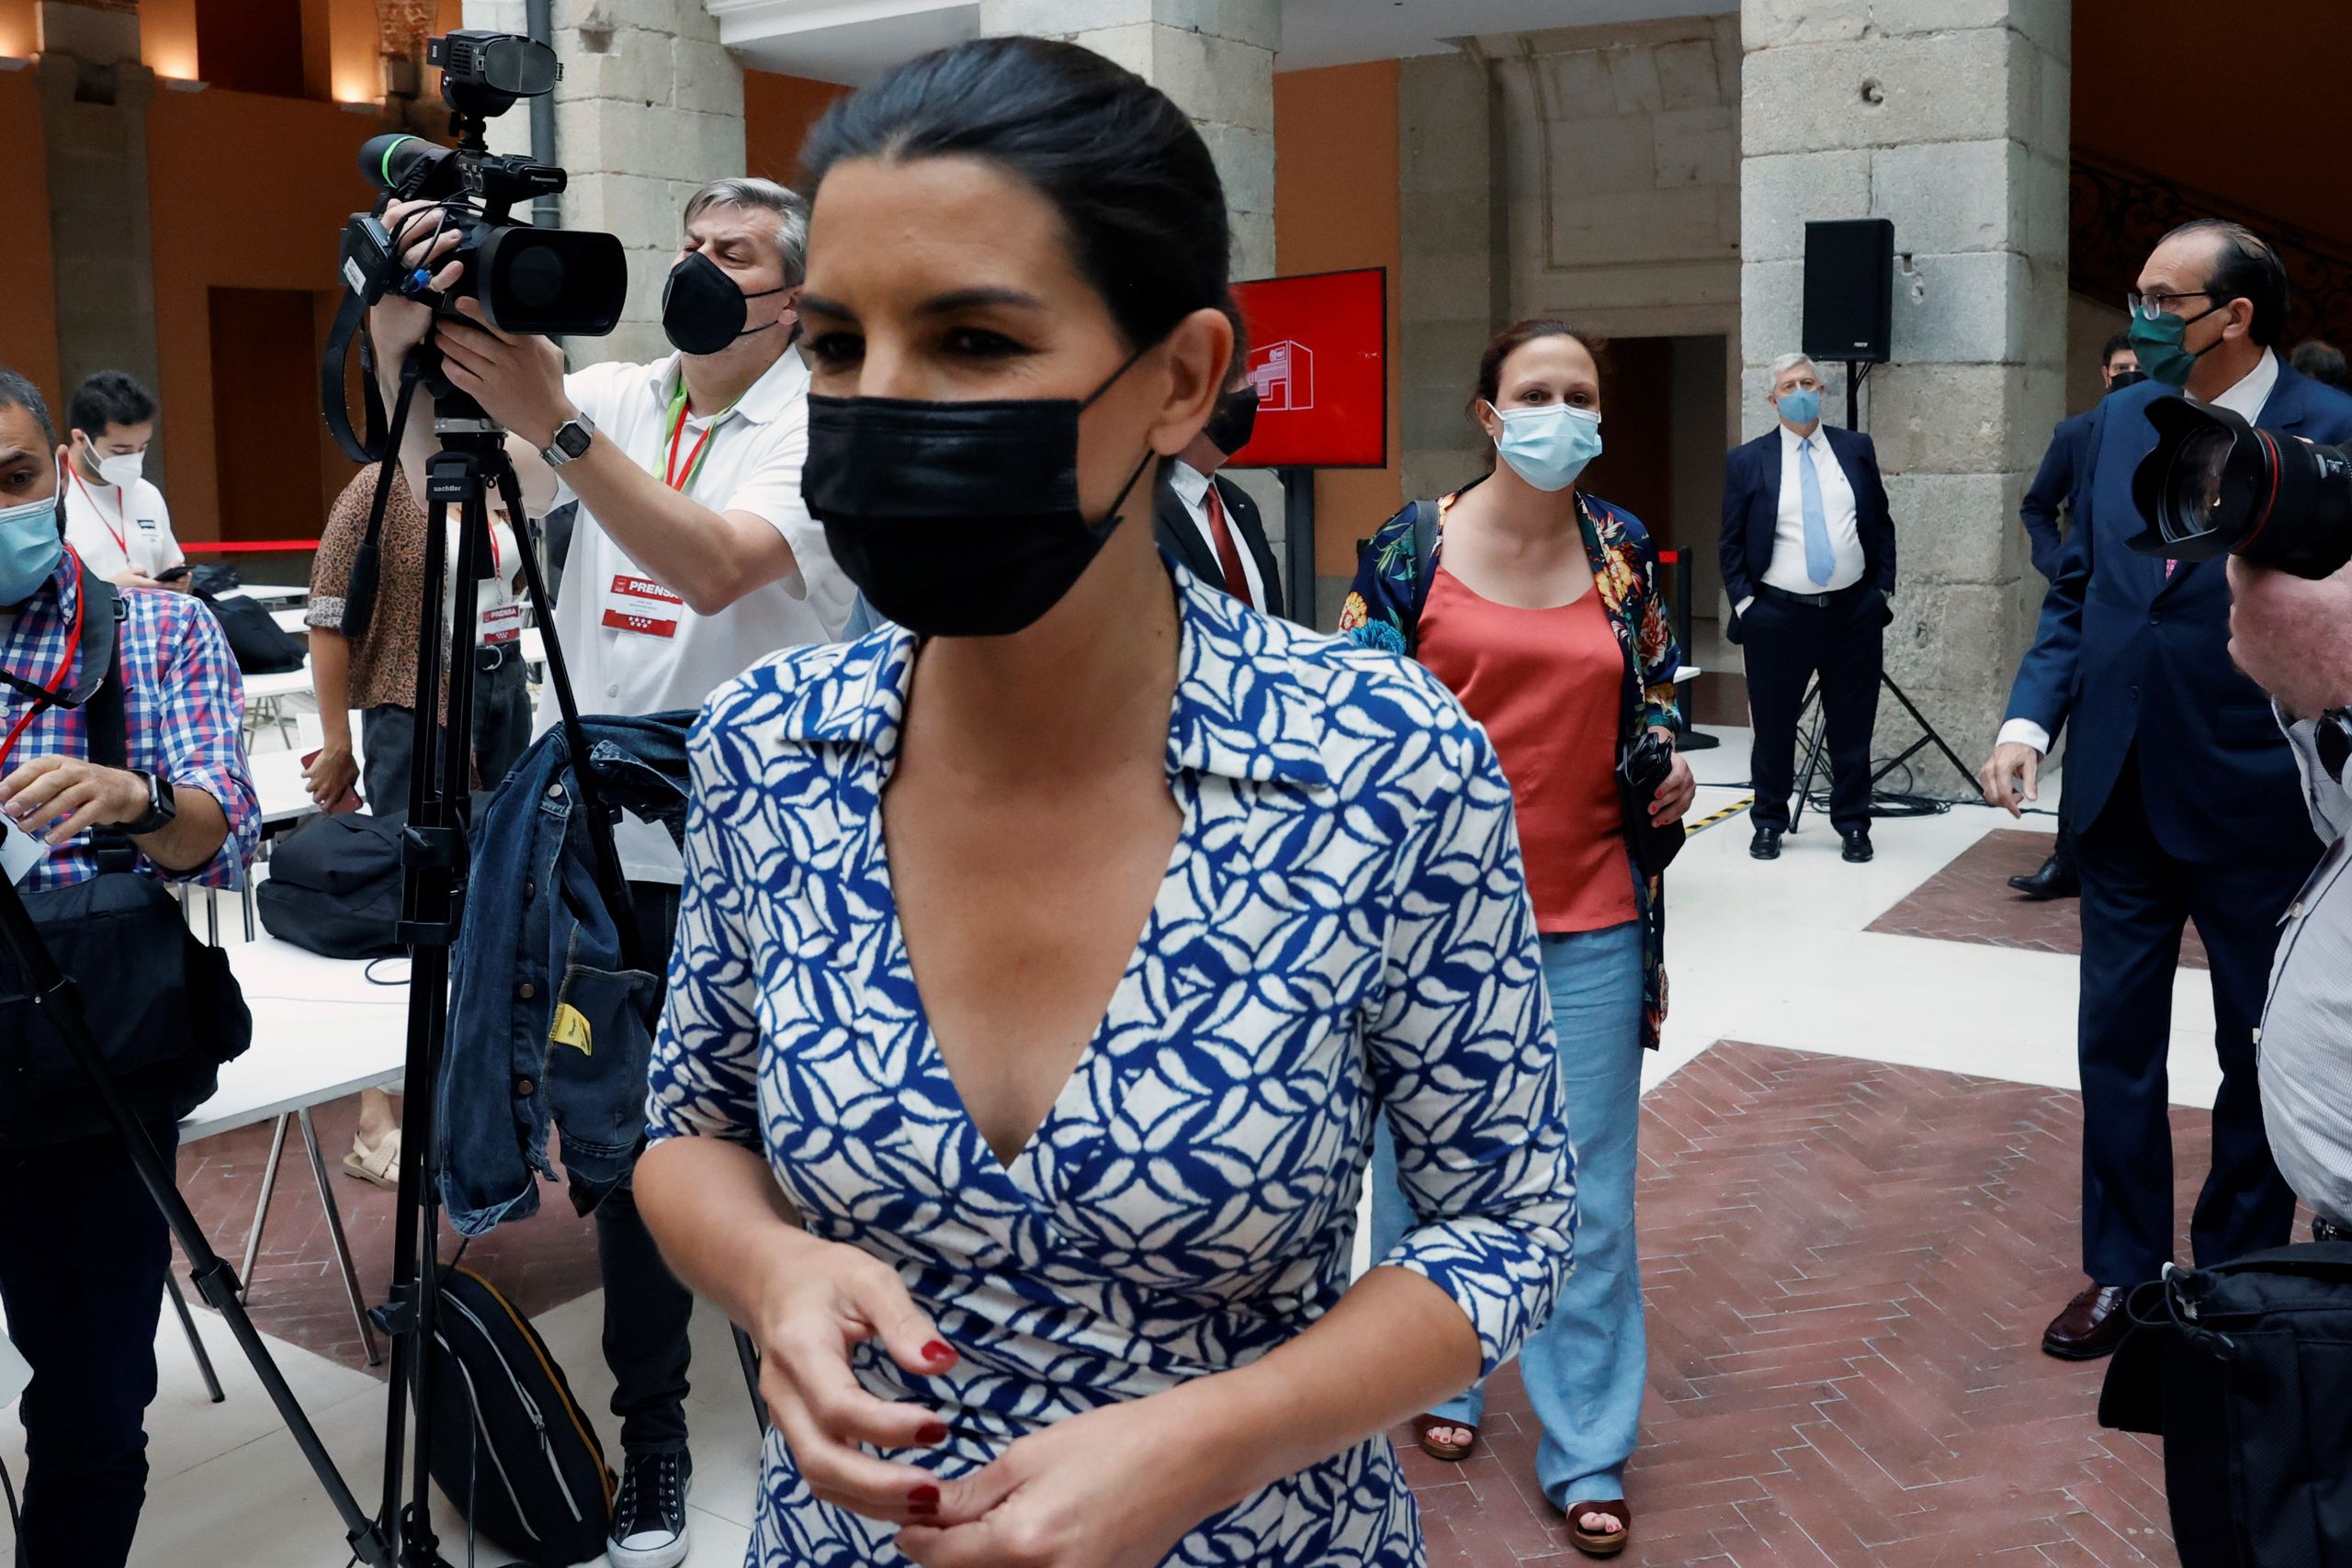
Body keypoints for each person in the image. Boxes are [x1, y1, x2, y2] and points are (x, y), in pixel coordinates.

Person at [633, 37, 1574, 1568]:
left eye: (972, 340)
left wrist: (1217, 1435)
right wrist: (770, 1270)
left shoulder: (1378, 761)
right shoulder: (767, 750)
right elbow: (689, 1128)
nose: (882, 401)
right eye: (841, 344)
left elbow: (1504, 1226)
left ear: (1182, 379)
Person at [368, 175, 852, 1567]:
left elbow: (714, 567)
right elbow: (451, 472)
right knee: (635, 1154)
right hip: (605, 848)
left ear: (795, 298)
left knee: (788, 1143)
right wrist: (408, 334)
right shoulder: (630, 393)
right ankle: (655, 1437)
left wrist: (558, 422)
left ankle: (813, 1408)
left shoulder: (819, 420)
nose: (699, 268)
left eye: (734, 254)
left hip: (764, 851)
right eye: (690, 245)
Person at [1339, 318, 1693, 1559]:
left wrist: (1666, 764)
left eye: (1578, 394)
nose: (1561, 413)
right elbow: (1355, 719)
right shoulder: (1411, 546)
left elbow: (1655, 695)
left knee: (1588, 1193)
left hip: (1590, 912)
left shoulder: (1622, 550)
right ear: (1489, 413)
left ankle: (1587, 1442)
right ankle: (1437, 1370)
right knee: (1421, 1170)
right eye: (1535, 392)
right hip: (1431, 925)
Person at [1980, 219, 2352, 1360]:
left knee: (2257, 1047)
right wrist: (2028, 720)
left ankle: (2235, 1273)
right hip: (2119, 788)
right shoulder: (2116, 422)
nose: (2137, 317)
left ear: (2233, 316)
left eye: (2159, 298)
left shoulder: (2332, 431)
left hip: (2256, 798)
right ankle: (2121, 1271)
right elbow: (2082, 593)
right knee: (2115, 1043)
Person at [0, 367, 259, 1568]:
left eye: (11, 478)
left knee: (93, 1397)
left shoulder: (158, 630)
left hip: (91, 1056)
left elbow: (221, 835)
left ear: (59, 472)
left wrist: (136, 796)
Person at [302, 463, 533, 1187]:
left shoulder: (498, 474)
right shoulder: (381, 486)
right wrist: (336, 739)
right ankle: (376, 1113)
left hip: (502, 688)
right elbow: (328, 614)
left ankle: (471, 1094)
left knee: (495, 893)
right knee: (410, 905)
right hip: (414, 702)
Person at [1719, 353, 1897, 864]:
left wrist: (1880, 591)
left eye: (1808, 383)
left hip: (1852, 614)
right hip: (1777, 616)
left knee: (1852, 726)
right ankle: (1769, 821)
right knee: (1773, 727)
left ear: (1822, 390)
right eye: (1788, 386)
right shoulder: (1748, 460)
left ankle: (1853, 824)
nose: (1799, 392)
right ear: (1772, 399)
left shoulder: (1855, 449)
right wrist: (1747, 605)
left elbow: (1880, 523)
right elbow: (1730, 542)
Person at [2226, 556, 2352, 1244]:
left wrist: (2337, 672)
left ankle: (2245, 1254)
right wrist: (2321, 705)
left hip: (2245, 799)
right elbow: (2339, 822)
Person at [2007, 332, 2143, 903]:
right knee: (2085, 727)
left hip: (2151, 604)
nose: (2131, 377)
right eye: (2122, 369)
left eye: (2140, 368)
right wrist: (2059, 564)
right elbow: (2037, 506)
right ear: (2105, 375)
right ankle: (2068, 854)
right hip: (2089, 601)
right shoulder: (2077, 433)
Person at [1154, 325, 1283, 615]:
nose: (1252, 392)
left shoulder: (1240, 505)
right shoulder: (1140, 512)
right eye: (1238, 378)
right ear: (1195, 400)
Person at [61, 370, 187, 592]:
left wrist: (178, 583)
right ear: (80, 438)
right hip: (87, 616)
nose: (134, 459)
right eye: (121, 451)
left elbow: (171, 563)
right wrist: (111, 589)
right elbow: (41, 596)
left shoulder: (147, 494)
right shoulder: (53, 496)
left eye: (142, 448)